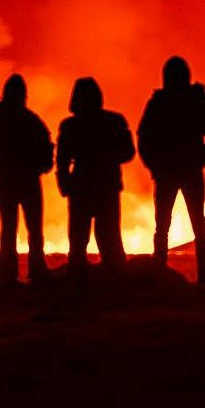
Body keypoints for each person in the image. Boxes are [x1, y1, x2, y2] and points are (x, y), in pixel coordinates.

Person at [137, 55, 205, 283]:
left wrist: (155, 165)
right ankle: (200, 280)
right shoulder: (195, 100)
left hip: (175, 170)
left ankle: (161, 277)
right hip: (183, 169)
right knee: (193, 226)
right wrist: (202, 158)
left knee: (166, 227)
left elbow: (144, 138)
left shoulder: (162, 102)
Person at [55, 76, 132, 277]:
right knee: (109, 237)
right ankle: (116, 281)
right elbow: (128, 152)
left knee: (79, 239)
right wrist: (108, 156)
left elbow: (62, 159)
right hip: (107, 185)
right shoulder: (115, 121)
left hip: (81, 186)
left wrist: (65, 184)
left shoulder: (70, 126)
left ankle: (78, 284)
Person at [0, 74, 54, 284]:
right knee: (34, 227)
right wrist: (42, 165)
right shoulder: (30, 120)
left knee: (9, 226)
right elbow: (46, 147)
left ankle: (7, 274)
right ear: (24, 95)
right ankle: (37, 270)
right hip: (27, 179)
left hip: (3, 179)